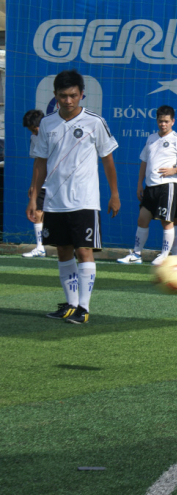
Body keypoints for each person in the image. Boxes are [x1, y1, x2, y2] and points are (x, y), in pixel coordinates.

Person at [26, 69, 120, 324]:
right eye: (63, 96)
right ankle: (70, 304)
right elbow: (40, 164)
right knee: (63, 250)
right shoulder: (47, 123)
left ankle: (84, 309)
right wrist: (34, 198)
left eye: (73, 95)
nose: (68, 100)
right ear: (55, 95)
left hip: (84, 200)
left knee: (84, 251)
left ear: (81, 95)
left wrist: (114, 194)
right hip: (55, 201)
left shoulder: (95, 122)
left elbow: (108, 159)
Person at [117, 105, 177, 266]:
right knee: (142, 219)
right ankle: (136, 254)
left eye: (166, 121)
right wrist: (140, 184)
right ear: (157, 121)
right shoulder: (151, 138)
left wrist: (175, 169)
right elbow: (144, 161)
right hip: (150, 187)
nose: (163, 124)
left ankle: (164, 255)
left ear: (173, 121)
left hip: (167, 186)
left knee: (166, 221)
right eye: (161, 121)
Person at [22, 109, 46, 258]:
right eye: (31, 130)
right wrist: (33, 184)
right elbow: (37, 161)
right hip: (43, 183)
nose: (33, 132)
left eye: (35, 129)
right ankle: (40, 247)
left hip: (60, 183)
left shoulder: (55, 134)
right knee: (37, 212)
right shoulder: (34, 138)